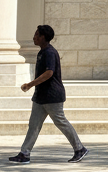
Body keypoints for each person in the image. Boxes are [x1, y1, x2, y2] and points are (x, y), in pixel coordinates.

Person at [8, 25, 87, 164]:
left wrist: (30, 84)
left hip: (52, 96)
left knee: (60, 122)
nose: (34, 37)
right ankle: (24, 153)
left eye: (37, 35)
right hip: (40, 96)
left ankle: (79, 149)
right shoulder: (42, 52)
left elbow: (49, 73)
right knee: (34, 125)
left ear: (43, 37)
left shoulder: (50, 52)